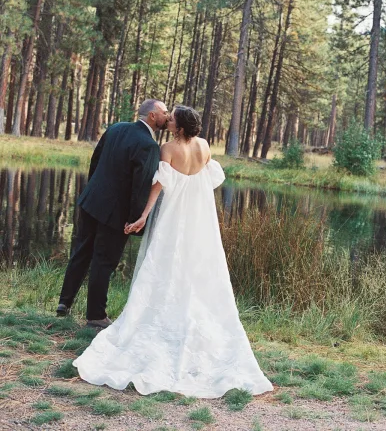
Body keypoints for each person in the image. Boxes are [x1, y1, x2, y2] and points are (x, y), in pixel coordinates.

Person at [73, 105, 273, 398]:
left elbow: (158, 185)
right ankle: (186, 314)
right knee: (193, 266)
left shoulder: (167, 148)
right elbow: (212, 177)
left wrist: (142, 216)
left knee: (164, 264)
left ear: (179, 126)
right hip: (198, 219)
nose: (168, 119)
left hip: (172, 217)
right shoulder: (204, 146)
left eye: (173, 118)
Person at [56, 99, 170, 329]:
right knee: (104, 261)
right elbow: (140, 186)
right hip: (116, 212)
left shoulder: (116, 128)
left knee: (81, 252)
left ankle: (64, 303)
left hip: (91, 201)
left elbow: (95, 161)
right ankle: (96, 316)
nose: (168, 115)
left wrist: (92, 190)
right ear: (152, 116)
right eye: (165, 112)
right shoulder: (148, 145)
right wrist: (136, 218)